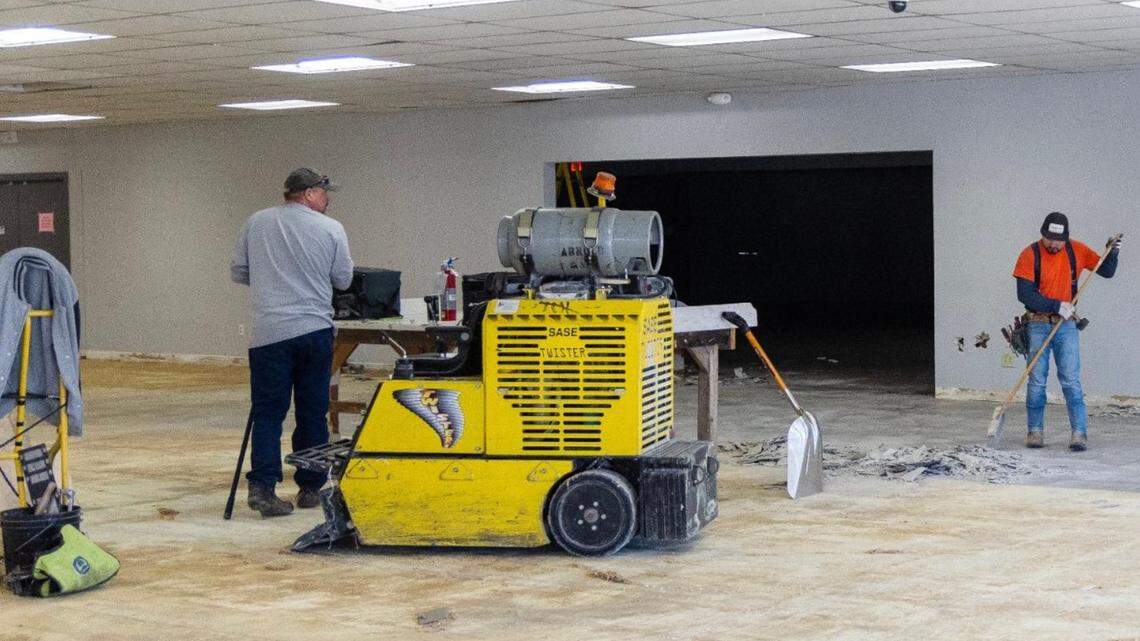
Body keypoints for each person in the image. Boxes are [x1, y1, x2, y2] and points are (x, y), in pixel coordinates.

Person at [231, 168, 353, 516]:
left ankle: (263, 488)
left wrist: (274, 279)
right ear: (309, 193)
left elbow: (239, 272)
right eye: (325, 194)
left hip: (268, 334)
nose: (328, 201)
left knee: (268, 412)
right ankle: (311, 486)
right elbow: (343, 280)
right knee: (313, 410)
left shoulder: (256, 222)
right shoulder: (331, 229)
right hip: (313, 330)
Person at [1012, 212, 1121, 451]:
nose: (1053, 244)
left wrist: (1112, 252)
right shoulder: (1029, 255)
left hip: (1066, 327)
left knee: (1071, 380)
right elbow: (1025, 294)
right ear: (1042, 235)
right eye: (1049, 239)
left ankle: (1079, 433)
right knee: (1037, 380)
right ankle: (1035, 431)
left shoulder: (1077, 251)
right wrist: (1055, 305)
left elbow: (1107, 271)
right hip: (1037, 324)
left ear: (1066, 238)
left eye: (1058, 240)